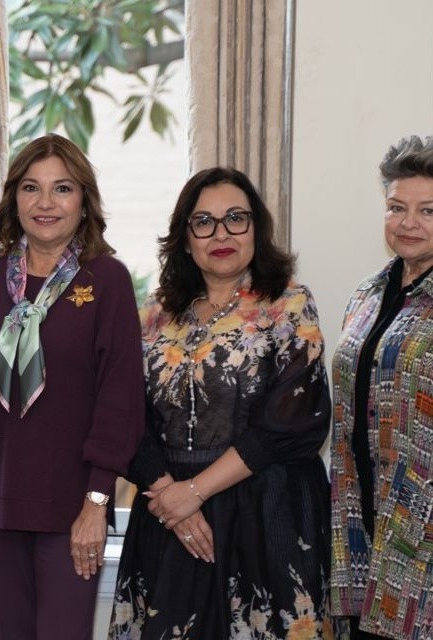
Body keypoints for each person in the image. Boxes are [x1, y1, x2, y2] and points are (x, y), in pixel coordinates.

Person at [109, 167, 333, 638]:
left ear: (256, 228)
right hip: (169, 518)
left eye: (235, 218)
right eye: (204, 222)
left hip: (265, 515)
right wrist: (173, 496)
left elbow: (293, 422)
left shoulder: (288, 305)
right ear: (185, 238)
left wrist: (195, 492)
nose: (221, 234)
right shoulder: (153, 314)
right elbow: (124, 415)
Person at [0, 133, 144, 639]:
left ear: (84, 201)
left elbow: (120, 400)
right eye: (31, 187)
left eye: (63, 188)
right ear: (14, 199)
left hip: (73, 510)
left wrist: (97, 504)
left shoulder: (107, 279)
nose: (45, 203)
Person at [329, 135, 433, 640]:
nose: (408, 222)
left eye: (428, 210)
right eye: (396, 207)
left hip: (422, 542)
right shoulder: (368, 293)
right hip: (362, 528)